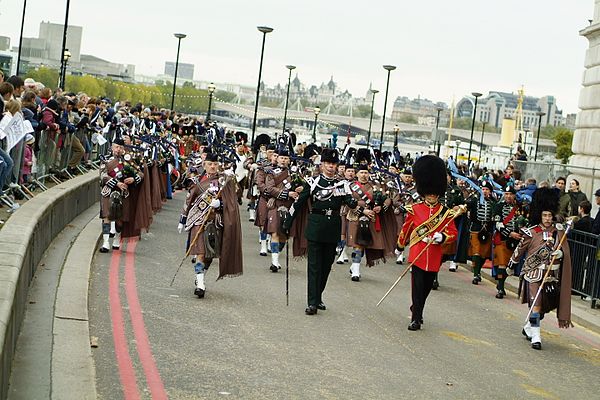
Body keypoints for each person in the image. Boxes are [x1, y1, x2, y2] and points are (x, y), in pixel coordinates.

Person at [284, 148, 358, 315]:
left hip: (332, 229)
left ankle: (318, 297)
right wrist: (288, 221)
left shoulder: (342, 184)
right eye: (328, 164)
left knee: (326, 267)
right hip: (316, 226)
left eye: (334, 164)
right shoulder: (313, 182)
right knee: (314, 267)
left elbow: (350, 202)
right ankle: (311, 302)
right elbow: (298, 203)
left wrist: (354, 202)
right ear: (322, 164)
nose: (331, 167)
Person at [397, 155, 458, 331]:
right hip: (417, 253)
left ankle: (417, 309)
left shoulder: (445, 213)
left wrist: (442, 237)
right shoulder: (414, 209)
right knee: (417, 286)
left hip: (434, 255)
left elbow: (452, 233)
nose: (431, 195)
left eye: (434, 193)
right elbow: (406, 229)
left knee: (427, 287)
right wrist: (400, 246)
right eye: (429, 192)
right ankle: (416, 318)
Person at [508, 187, 573, 350]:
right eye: (544, 215)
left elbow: (565, 251)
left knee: (543, 308)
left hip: (551, 275)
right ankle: (536, 336)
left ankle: (529, 327)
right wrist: (511, 264)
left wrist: (560, 254)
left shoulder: (559, 232)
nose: (547, 218)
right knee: (536, 305)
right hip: (533, 274)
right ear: (539, 215)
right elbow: (519, 250)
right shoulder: (531, 232)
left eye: (550, 215)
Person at [177, 151, 242, 298]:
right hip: (199, 221)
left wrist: (220, 204)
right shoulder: (196, 181)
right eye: (210, 164)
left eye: (215, 164)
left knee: (209, 255)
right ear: (204, 165)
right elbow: (188, 201)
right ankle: (200, 285)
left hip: (215, 221)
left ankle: (200, 277)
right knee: (200, 252)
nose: (213, 167)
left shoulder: (224, 180)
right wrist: (182, 219)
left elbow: (232, 201)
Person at [263, 148, 302, 272]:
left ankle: (276, 254)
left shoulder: (295, 173)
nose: (283, 160)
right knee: (274, 232)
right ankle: (274, 261)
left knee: (284, 236)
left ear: (289, 160)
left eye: (286, 158)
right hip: (276, 205)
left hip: (290, 207)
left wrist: (300, 189)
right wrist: (287, 193)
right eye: (281, 158)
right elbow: (270, 189)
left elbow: (302, 187)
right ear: (277, 158)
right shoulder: (271, 172)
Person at [492, 184, 526, 299]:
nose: (508, 196)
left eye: (510, 194)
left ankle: (500, 282)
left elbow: (525, 221)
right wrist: (510, 233)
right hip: (503, 239)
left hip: (516, 241)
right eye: (506, 194)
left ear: (514, 195)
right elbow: (498, 224)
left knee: (509, 266)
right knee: (502, 263)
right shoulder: (498, 207)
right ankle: (501, 288)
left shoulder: (520, 207)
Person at [466, 180, 496, 284]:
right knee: (477, 252)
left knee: (484, 254)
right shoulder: (475, 200)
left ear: (490, 191)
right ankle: (475, 274)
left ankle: (478, 271)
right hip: (476, 228)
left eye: (487, 189)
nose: (484, 191)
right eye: (483, 189)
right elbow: (467, 205)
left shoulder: (493, 202)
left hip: (487, 230)